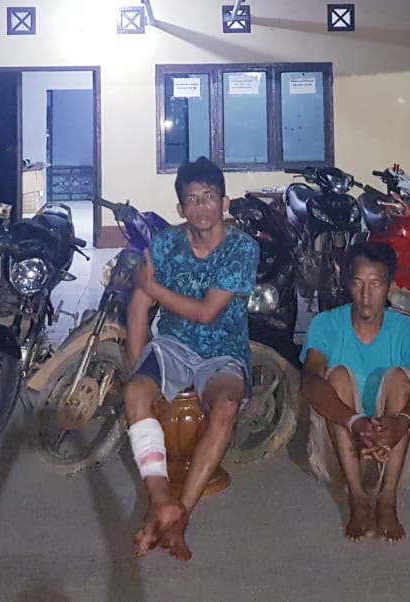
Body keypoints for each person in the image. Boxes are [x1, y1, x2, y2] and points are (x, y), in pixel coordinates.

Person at [123, 156, 259, 561]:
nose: (202, 206)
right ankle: (160, 498)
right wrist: (138, 366)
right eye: (192, 199)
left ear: (224, 203)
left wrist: (150, 285)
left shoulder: (241, 248)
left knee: (227, 404)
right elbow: (138, 309)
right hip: (173, 346)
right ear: (181, 208)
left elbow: (206, 313)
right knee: (134, 393)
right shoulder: (166, 245)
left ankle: (180, 516)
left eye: (209, 196)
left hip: (223, 351)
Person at [300, 241, 410, 542]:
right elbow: (309, 381)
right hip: (338, 455)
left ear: (390, 287)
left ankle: (387, 499)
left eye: (375, 284)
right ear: (347, 284)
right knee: (336, 376)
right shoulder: (326, 324)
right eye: (358, 283)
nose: (366, 295)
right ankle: (357, 498)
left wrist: (399, 425)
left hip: (393, 453)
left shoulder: (408, 329)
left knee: (399, 377)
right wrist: (355, 423)